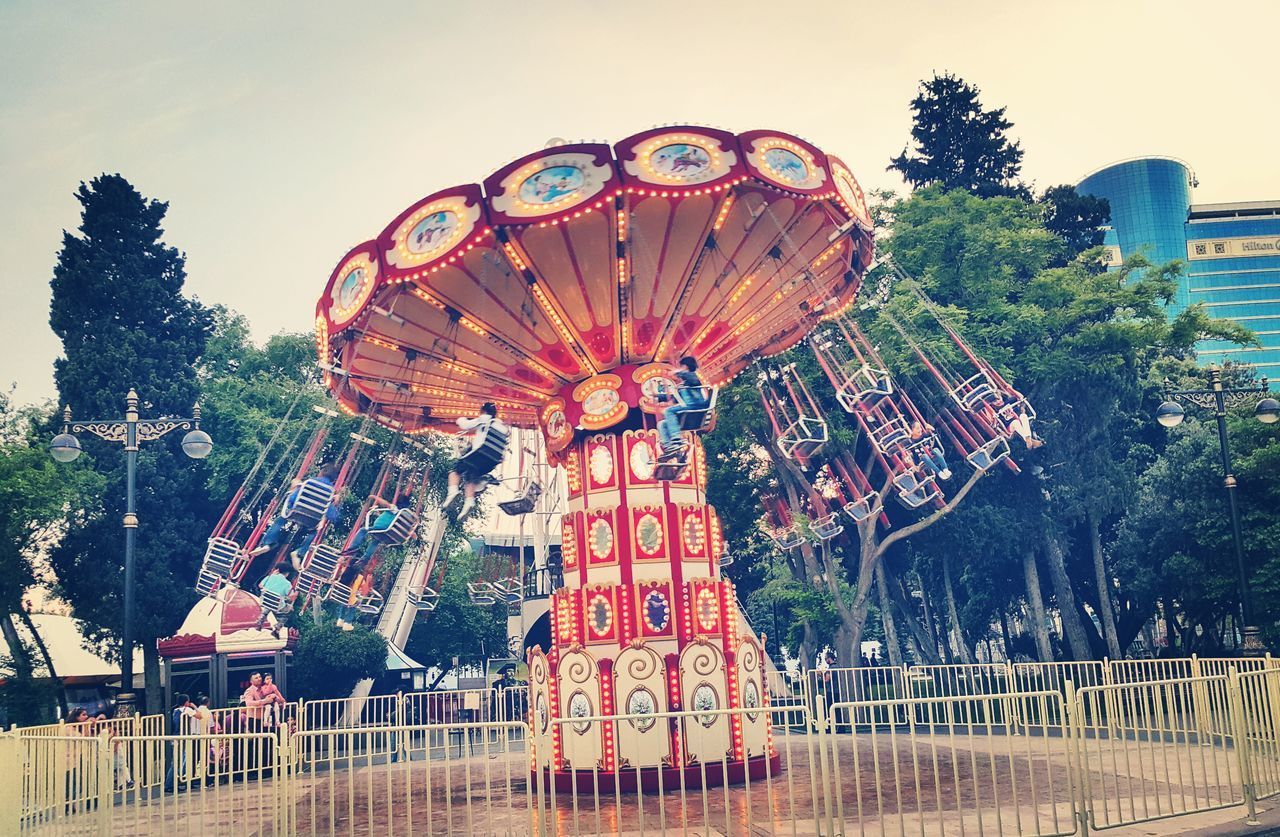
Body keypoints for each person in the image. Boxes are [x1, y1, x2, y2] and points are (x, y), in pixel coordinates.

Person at [249, 462, 342, 566]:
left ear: (322, 472)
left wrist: (293, 489)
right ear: (333, 479)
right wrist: (335, 503)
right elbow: (333, 516)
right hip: (312, 521)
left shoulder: (308, 483)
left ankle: (268, 543)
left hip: (295, 512)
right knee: (316, 532)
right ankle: (299, 552)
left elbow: (292, 500)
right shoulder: (330, 492)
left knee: (280, 520)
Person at [445, 403, 508, 517]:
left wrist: (460, 419)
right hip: (492, 461)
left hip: (480, 454)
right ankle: (469, 501)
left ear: (483, 411)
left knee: (455, 471)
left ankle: (452, 492)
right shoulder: (502, 427)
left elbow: (465, 425)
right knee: (470, 476)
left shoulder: (484, 419)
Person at [656, 356, 709, 459]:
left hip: (695, 406)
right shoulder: (682, 386)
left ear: (685, 366)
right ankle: (670, 448)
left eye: (681, 366)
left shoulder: (693, 377)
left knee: (669, 411)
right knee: (662, 424)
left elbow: (690, 378)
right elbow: (672, 397)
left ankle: (676, 439)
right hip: (687, 409)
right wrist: (657, 397)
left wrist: (678, 372)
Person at [164, 694, 195, 792]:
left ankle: (175, 782)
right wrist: (193, 706)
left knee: (179, 761)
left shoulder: (175, 711)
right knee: (178, 763)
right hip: (183, 739)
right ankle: (169, 784)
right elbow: (200, 716)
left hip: (176, 738)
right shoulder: (187, 710)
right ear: (186, 702)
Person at [255, 565, 297, 633]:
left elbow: (260, 585)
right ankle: (277, 628)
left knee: (268, 605)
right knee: (289, 610)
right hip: (277, 606)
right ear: (287, 573)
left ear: (278, 570)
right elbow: (291, 597)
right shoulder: (288, 584)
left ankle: (260, 620)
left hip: (264, 601)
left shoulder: (269, 577)